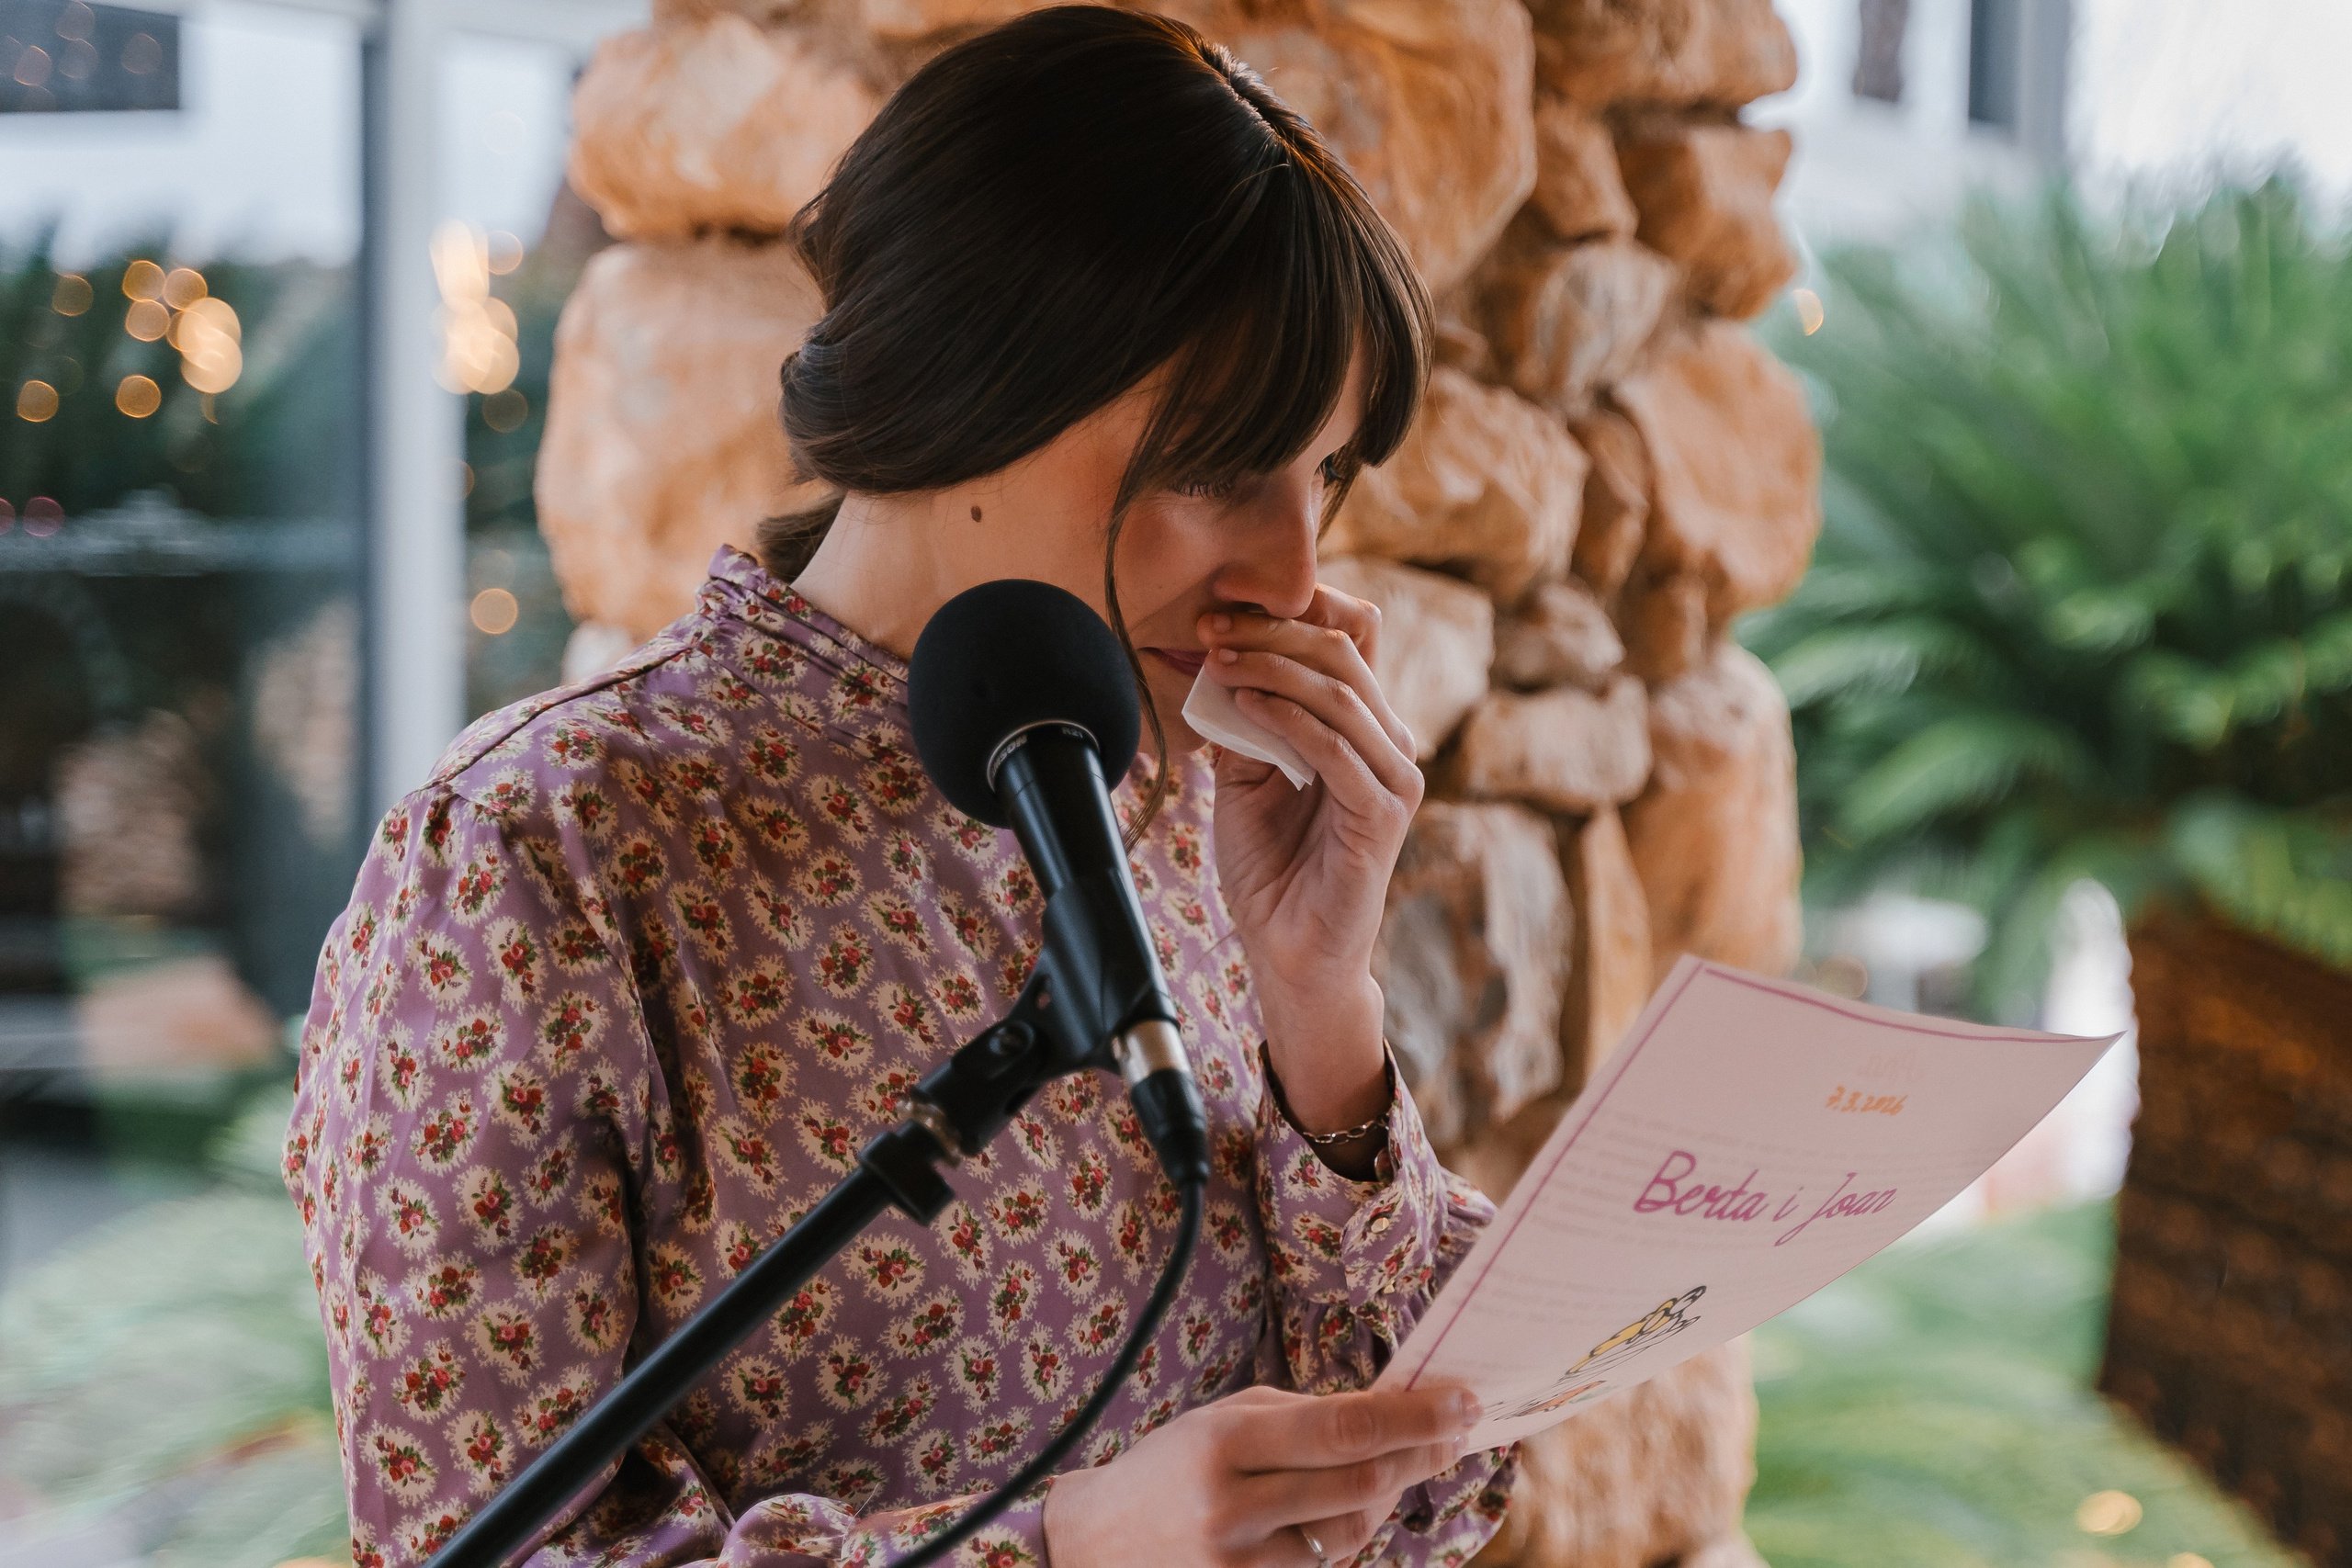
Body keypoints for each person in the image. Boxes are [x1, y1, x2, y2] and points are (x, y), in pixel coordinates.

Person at [284, 8, 1517, 1564]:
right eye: (1220, 466)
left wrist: (1320, 999)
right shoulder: (546, 848)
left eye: (1326, 473)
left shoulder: (1170, 789)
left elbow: (1435, 1500)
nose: (1293, 569)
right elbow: (487, 1549)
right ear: (970, 381)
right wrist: (1059, 1553)